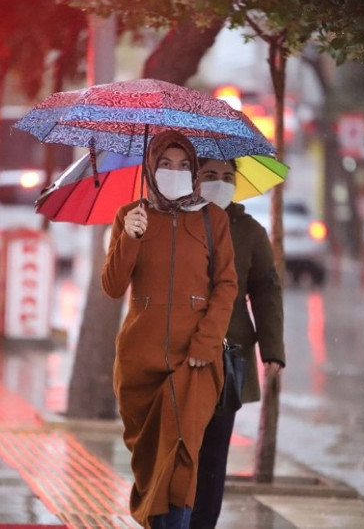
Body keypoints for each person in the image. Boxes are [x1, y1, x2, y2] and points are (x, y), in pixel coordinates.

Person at [101, 130, 238, 528]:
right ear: (150, 168)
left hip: (194, 363)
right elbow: (111, 287)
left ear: (195, 172)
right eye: (165, 164)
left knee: (182, 453)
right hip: (138, 363)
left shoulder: (214, 219)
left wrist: (206, 344)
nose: (174, 172)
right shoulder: (131, 216)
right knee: (148, 462)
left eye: (183, 166)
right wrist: (130, 238)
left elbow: (227, 285)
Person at [191, 159, 285, 529]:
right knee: (176, 453)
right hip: (178, 356)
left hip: (228, 358)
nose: (220, 184)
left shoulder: (249, 231)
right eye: (210, 176)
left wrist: (272, 350)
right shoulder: (177, 223)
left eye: (227, 178)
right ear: (194, 179)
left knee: (213, 458)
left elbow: (266, 289)